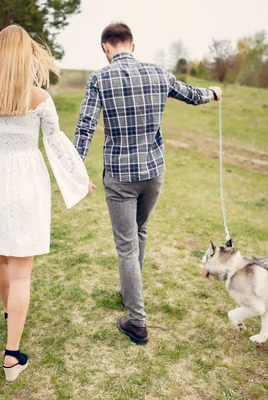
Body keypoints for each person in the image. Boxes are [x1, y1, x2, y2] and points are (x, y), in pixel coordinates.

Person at [0, 24, 95, 381]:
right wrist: (80, 178)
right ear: (27, 55)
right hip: (27, 182)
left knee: (1, 255)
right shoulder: (39, 98)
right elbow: (55, 142)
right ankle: (12, 356)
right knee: (21, 271)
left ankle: (9, 313)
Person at [73, 22, 222, 345]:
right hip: (153, 173)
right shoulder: (157, 73)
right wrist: (212, 93)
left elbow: (86, 126)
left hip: (120, 176)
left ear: (105, 48)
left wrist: (74, 168)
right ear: (133, 46)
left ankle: (136, 321)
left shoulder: (99, 78)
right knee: (139, 232)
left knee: (127, 245)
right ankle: (131, 290)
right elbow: (192, 95)